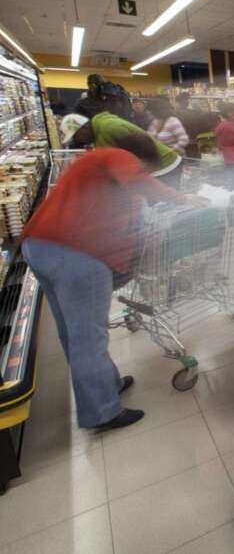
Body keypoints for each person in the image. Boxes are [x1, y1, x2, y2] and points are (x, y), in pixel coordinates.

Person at [20, 136, 192, 431]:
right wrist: (184, 199)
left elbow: (121, 213)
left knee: (72, 331)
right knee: (88, 336)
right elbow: (137, 181)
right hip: (76, 254)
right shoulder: (117, 157)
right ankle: (102, 412)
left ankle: (106, 384)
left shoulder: (91, 164)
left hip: (39, 246)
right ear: (141, 159)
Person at [72, 101, 184, 189]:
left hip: (164, 165)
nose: (79, 141)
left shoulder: (110, 127)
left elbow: (144, 147)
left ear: (83, 128)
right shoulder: (98, 134)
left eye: (77, 136)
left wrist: (141, 175)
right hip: (155, 167)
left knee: (164, 209)